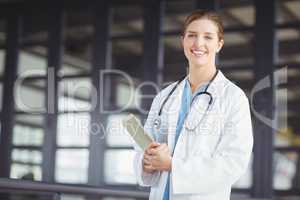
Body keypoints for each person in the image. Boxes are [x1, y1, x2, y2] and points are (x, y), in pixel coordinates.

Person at [133, 9, 253, 200]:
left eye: (208, 37)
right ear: (183, 41)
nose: (198, 43)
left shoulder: (233, 98)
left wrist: (173, 165)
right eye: (192, 36)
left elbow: (233, 163)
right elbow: (145, 148)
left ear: (219, 44)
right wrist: (147, 161)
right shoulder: (165, 96)